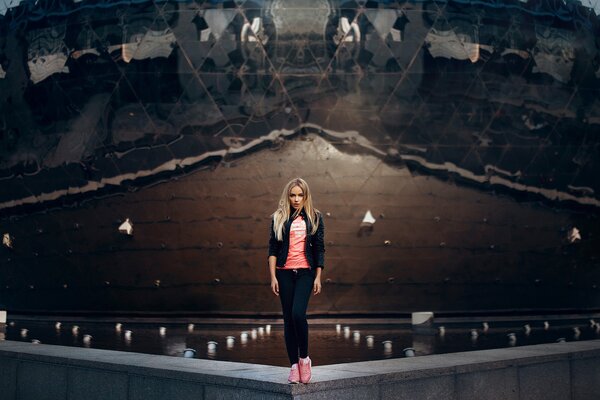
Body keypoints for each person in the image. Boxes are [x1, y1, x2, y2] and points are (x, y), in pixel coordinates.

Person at [268, 177, 325, 384]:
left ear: (306, 196)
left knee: (297, 314)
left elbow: (319, 249)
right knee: (287, 319)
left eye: (300, 195)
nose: (296, 199)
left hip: (305, 272)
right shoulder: (278, 217)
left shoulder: (315, 217)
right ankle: (293, 366)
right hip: (284, 273)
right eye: (292, 195)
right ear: (287, 196)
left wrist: (318, 276)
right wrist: (273, 276)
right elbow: (273, 249)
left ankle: (304, 358)